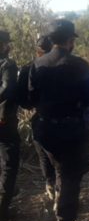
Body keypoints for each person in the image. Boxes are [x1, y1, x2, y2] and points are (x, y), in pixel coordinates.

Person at [28, 19, 89, 221]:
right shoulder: (79, 65)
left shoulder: (35, 65)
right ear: (70, 40)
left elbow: (26, 100)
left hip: (45, 130)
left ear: (50, 40)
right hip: (71, 130)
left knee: (60, 170)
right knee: (69, 176)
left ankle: (60, 196)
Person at [17, 36, 55, 200]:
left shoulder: (28, 68)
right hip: (66, 118)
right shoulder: (62, 64)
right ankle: (62, 189)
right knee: (62, 157)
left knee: (44, 155)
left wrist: (32, 106)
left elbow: (22, 98)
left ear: (37, 50)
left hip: (40, 118)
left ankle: (50, 185)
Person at [0, 30, 20, 221]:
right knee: (8, 165)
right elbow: (7, 88)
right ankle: (3, 209)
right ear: (4, 45)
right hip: (4, 123)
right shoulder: (8, 65)